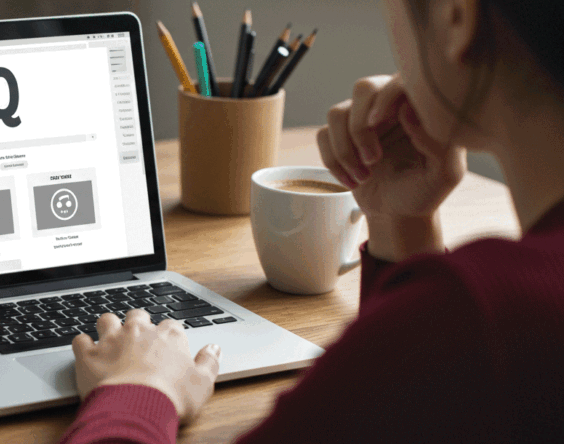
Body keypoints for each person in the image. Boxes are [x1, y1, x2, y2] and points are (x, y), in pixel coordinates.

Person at [59, 0, 564, 442]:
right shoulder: (480, 321)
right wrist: (399, 225)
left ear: (458, 16)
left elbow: (446, 350)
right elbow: (413, 410)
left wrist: (136, 393)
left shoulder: (475, 318)